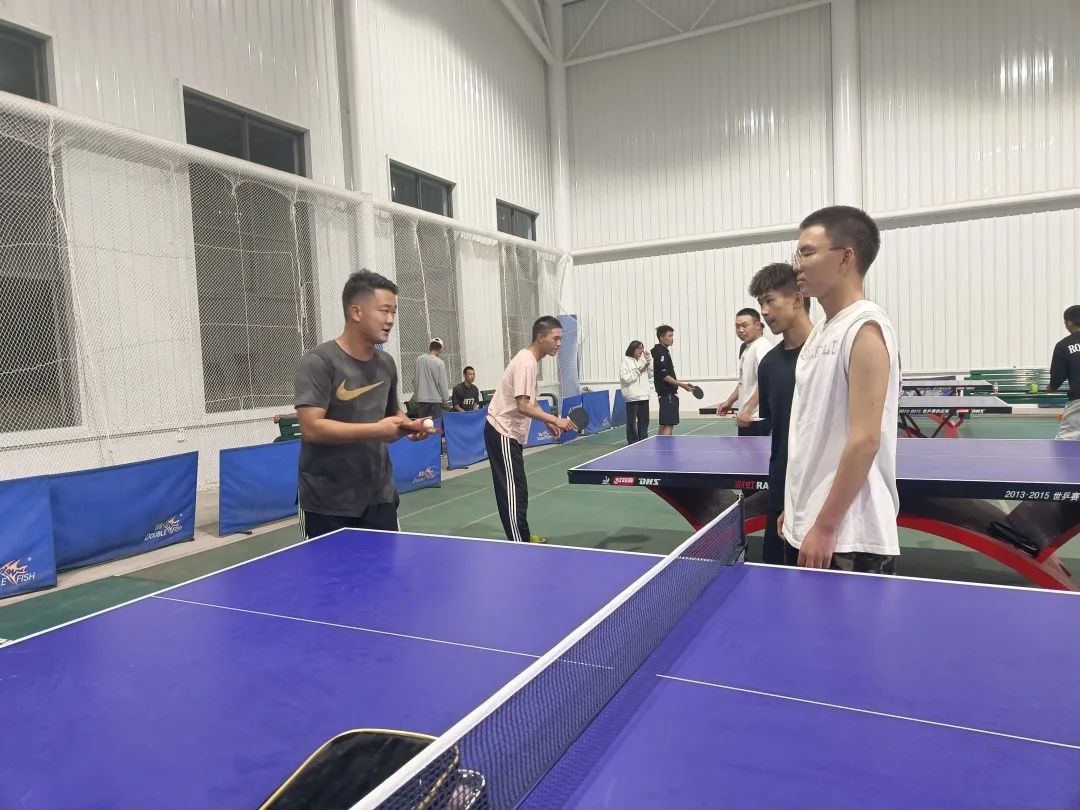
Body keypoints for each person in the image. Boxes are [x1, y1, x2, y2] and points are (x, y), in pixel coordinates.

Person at [780, 205, 900, 573]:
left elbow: (865, 440)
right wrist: (797, 507)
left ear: (846, 257)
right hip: (812, 525)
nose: (797, 265)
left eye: (807, 252)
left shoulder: (865, 329)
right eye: (797, 254)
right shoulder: (821, 330)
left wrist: (826, 525)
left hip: (848, 538)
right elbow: (811, 429)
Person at [293, 270, 434, 538]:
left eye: (394, 312)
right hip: (328, 503)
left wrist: (408, 426)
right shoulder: (319, 362)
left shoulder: (386, 364)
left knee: (385, 566)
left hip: (379, 497)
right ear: (356, 312)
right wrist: (377, 430)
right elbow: (311, 428)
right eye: (384, 311)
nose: (390, 320)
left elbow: (391, 412)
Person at [484, 316, 575, 543]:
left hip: (510, 433)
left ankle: (521, 536)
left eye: (561, 339)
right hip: (502, 431)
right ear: (540, 337)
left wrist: (548, 422)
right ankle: (519, 544)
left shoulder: (531, 361)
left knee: (519, 489)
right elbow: (522, 406)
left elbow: (529, 401)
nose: (559, 343)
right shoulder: (526, 363)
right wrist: (556, 419)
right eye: (555, 338)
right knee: (512, 492)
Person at [747, 263, 813, 566]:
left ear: (797, 298)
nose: (764, 311)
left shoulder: (827, 355)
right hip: (780, 491)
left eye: (770, 301)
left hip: (818, 496)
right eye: (761, 303)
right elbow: (780, 431)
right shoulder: (769, 365)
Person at [717, 309, 773, 436]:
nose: (740, 330)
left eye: (745, 325)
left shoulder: (762, 347)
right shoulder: (748, 348)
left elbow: (766, 383)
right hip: (747, 417)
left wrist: (748, 410)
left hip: (757, 418)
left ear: (758, 325)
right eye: (737, 326)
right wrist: (730, 401)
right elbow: (744, 382)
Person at [651, 325, 695, 436]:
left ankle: (660, 445)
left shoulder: (663, 351)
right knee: (668, 424)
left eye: (672, 336)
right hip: (667, 393)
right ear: (661, 338)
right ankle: (666, 447)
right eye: (669, 336)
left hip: (666, 393)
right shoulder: (661, 353)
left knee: (664, 424)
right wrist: (682, 385)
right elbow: (664, 376)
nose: (672, 338)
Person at [1047, 305, 1080, 440]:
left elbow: (1057, 376)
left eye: (1065, 322)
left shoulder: (1063, 345)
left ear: (1069, 323)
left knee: (1066, 441)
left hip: (1078, 401)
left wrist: (1051, 387)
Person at [619, 341, 652, 443]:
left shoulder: (643, 360)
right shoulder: (626, 360)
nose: (641, 351)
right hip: (632, 397)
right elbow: (625, 378)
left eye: (642, 349)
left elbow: (651, 374)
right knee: (631, 422)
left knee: (644, 422)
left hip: (644, 396)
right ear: (632, 349)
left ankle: (643, 440)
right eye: (638, 349)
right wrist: (638, 371)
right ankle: (632, 442)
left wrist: (648, 360)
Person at [415, 338, 450, 419]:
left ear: (429, 347)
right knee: (435, 424)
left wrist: (417, 395)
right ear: (440, 349)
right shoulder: (440, 363)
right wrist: (445, 400)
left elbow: (415, 380)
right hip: (436, 400)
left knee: (424, 424)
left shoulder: (419, 360)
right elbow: (442, 384)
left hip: (422, 400)